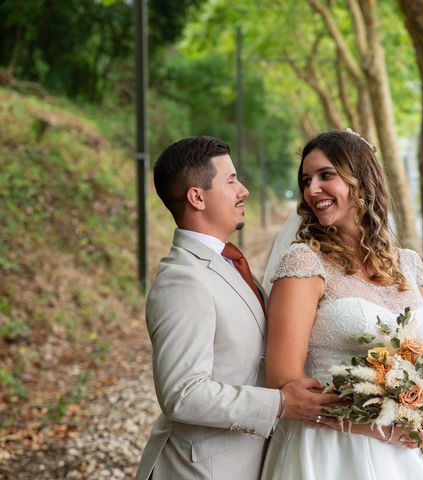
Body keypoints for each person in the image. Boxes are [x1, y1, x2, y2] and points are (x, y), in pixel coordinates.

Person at [260, 130, 423, 479]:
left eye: (326, 175)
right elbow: (283, 384)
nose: (312, 190)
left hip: (412, 449)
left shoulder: (410, 265)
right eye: (306, 180)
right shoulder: (304, 265)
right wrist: (372, 426)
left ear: (362, 179)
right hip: (332, 452)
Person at [135, 136, 339, 480]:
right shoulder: (183, 279)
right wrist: (281, 404)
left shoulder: (227, 262)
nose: (243, 190)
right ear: (197, 197)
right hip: (200, 469)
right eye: (230, 181)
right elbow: (182, 393)